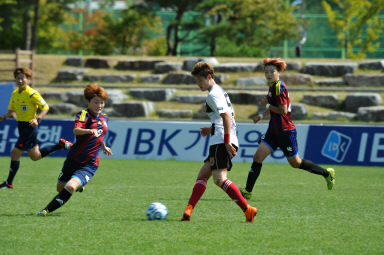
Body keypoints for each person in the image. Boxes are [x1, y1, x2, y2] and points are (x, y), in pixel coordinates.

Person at [240, 58, 335, 200]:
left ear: (279, 72)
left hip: (285, 131)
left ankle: (327, 174)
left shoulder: (280, 87)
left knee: (296, 163)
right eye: (266, 72)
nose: (269, 74)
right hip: (273, 131)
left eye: (272, 71)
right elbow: (273, 108)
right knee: (258, 157)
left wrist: (266, 106)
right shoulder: (272, 87)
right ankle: (247, 191)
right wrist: (261, 115)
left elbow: (282, 110)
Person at [181, 62, 257, 223]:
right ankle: (188, 211)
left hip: (222, 141)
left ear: (209, 77)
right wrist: (211, 129)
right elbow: (231, 115)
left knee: (219, 179)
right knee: (202, 175)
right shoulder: (221, 91)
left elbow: (227, 117)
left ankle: (247, 210)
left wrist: (227, 141)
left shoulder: (213, 95)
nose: (198, 85)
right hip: (220, 138)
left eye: (199, 81)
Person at [38, 83, 112, 216]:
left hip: (90, 163)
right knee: (60, 188)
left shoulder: (105, 117)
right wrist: (89, 130)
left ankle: (45, 210)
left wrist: (104, 146)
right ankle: (79, 185)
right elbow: (76, 130)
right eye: (96, 102)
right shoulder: (83, 115)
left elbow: (100, 135)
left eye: (102, 103)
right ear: (88, 101)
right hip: (73, 159)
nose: (99, 105)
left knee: (70, 186)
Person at [0, 67, 72, 190]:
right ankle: (59, 145)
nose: (20, 80)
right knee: (35, 156)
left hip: (30, 127)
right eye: (18, 78)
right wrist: (4, 117)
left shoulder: (32, 93)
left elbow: (45, 107)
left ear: (28, 79)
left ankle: (9, 182)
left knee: (14, 153)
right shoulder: (15, 93)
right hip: (21, 127)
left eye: (23, 78)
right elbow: (12, 110)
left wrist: (37, 119)